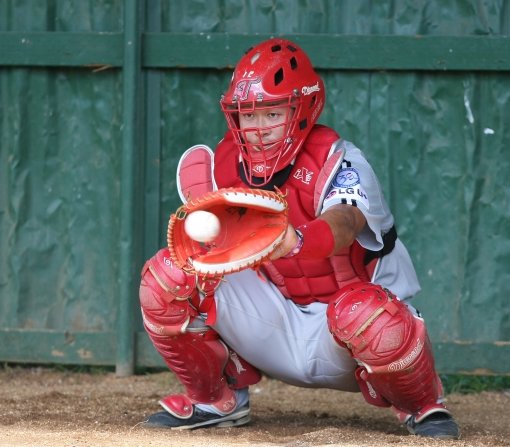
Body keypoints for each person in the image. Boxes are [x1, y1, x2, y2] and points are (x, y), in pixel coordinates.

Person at [138, 38, 460, 439]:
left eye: (272, 113)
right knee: (167, 276)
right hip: (275, 319)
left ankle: (423, 406)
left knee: (363, 313)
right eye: (247, 116)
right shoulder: (221, 167)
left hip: (347, 338)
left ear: (303, 109)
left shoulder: (337, 159)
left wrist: (299, 240)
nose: (257, 129)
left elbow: (346, 219)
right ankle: (215, 401)